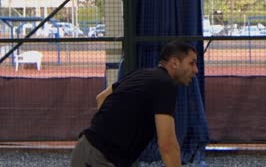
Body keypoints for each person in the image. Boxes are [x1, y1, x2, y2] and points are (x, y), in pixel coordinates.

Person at [70, 40, 199, 167]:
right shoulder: (164, 85)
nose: (196, 70)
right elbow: (167, 145)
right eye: (191, 63)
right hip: (97, 158)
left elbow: (102, 97)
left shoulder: (141, 74)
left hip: (90, 150)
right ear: (175, 63)